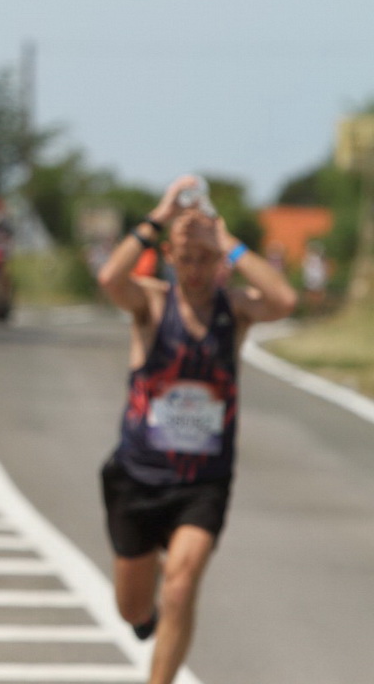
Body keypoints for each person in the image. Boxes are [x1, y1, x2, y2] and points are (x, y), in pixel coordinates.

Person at [95, 175, 297, 684]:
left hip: (202, 481)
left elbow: (283, 300)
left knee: (182, 584)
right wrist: (159, 216)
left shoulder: (235, 310)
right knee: (132, 609)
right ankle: (151, 618)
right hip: (137, 476)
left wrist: (226, 241)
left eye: (206, 259)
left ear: (219, 263)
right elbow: (110, 280)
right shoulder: (152, 303)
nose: (196, 269)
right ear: (170, 258)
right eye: (186, 258)